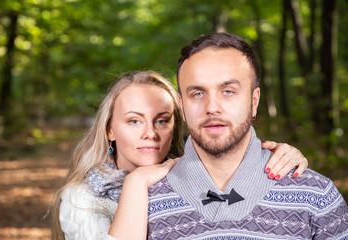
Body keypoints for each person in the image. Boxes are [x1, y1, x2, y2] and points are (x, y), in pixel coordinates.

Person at [51, 71, 308, 240]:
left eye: (162, 121)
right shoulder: (83, 200)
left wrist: (281, 155)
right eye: (134, 121)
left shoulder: (190, 173)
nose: (150, 133)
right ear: (109, 129)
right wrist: (137, 182)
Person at [146, 32, 348, 239]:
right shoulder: (142, 202)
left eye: (228, 91)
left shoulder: (316, 194)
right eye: (197, 94)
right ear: (182, 106)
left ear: (254, 101)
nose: (212, 108)